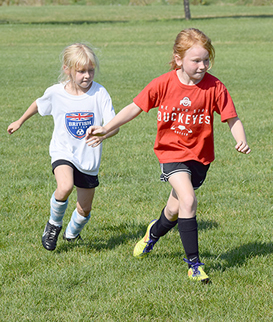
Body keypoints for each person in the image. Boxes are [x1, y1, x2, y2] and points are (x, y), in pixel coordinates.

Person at [86, 28, 251, 283]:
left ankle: (152, 234)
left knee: (174, 211)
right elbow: (134, 107)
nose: (202, 65)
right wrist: (106, 128)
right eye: (196, 60)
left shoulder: (215, 86)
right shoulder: (163, 83)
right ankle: (194, 265)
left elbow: (231, 117)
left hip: (200, 157)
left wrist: (240, 139)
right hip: (171, 152)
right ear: (178, 59)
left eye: (206, 60)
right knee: (189, 200)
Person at [7, 43, 119, 251]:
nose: (87, 76)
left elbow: (114, 125)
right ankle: (53, 224)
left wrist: (104, 133)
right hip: (63, 151)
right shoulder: (56, 92)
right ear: (67, 69)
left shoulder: (99, 93)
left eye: (91, 70)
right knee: (65, 186)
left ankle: (71, 233)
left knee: (84, 209)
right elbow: (38, 104)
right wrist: (20, 121)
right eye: (81, 71)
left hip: (89, 157)